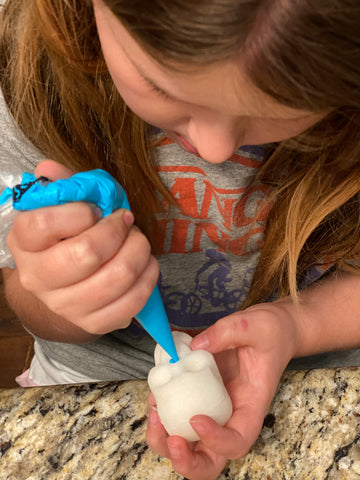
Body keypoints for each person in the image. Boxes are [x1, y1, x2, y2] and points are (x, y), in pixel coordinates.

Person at [1, 0, 360, 478]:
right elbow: (27, 297)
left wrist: (299, 324)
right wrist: (66, 296)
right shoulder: (28, 77)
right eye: (161, 85)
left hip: (324, 376)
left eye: (285, 106)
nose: (217, 148)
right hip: (88, 382)